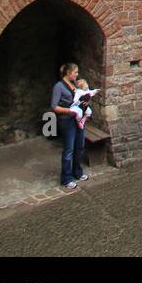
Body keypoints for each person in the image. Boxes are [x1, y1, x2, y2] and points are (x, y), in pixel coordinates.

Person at [50, 61, 91, 192]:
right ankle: (66, 178)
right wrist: (69, 111)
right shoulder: (59, 86)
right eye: (75, 72)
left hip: (78, 119)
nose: (77, 74)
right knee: (69, 149)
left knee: (79, 145)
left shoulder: (75, 83)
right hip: (67, 120)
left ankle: (77, 172)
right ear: (68, 73)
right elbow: (54, 106)